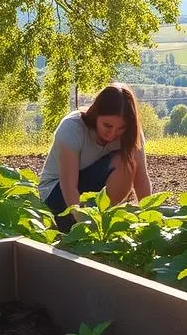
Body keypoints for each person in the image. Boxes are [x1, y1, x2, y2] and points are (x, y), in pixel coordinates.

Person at [38, 83, 153, 232]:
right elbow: (68, 184)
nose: (112, 134)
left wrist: (150, 218)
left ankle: (104, 221)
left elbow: (141, 179)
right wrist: (83, 224)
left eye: (121, 128)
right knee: (78, 225)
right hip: (57, 193)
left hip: (92, 193)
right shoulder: (72, 128)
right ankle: (80, 226)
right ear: (95, 114)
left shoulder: (131, 133)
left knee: (127, 162)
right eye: (107, 126)